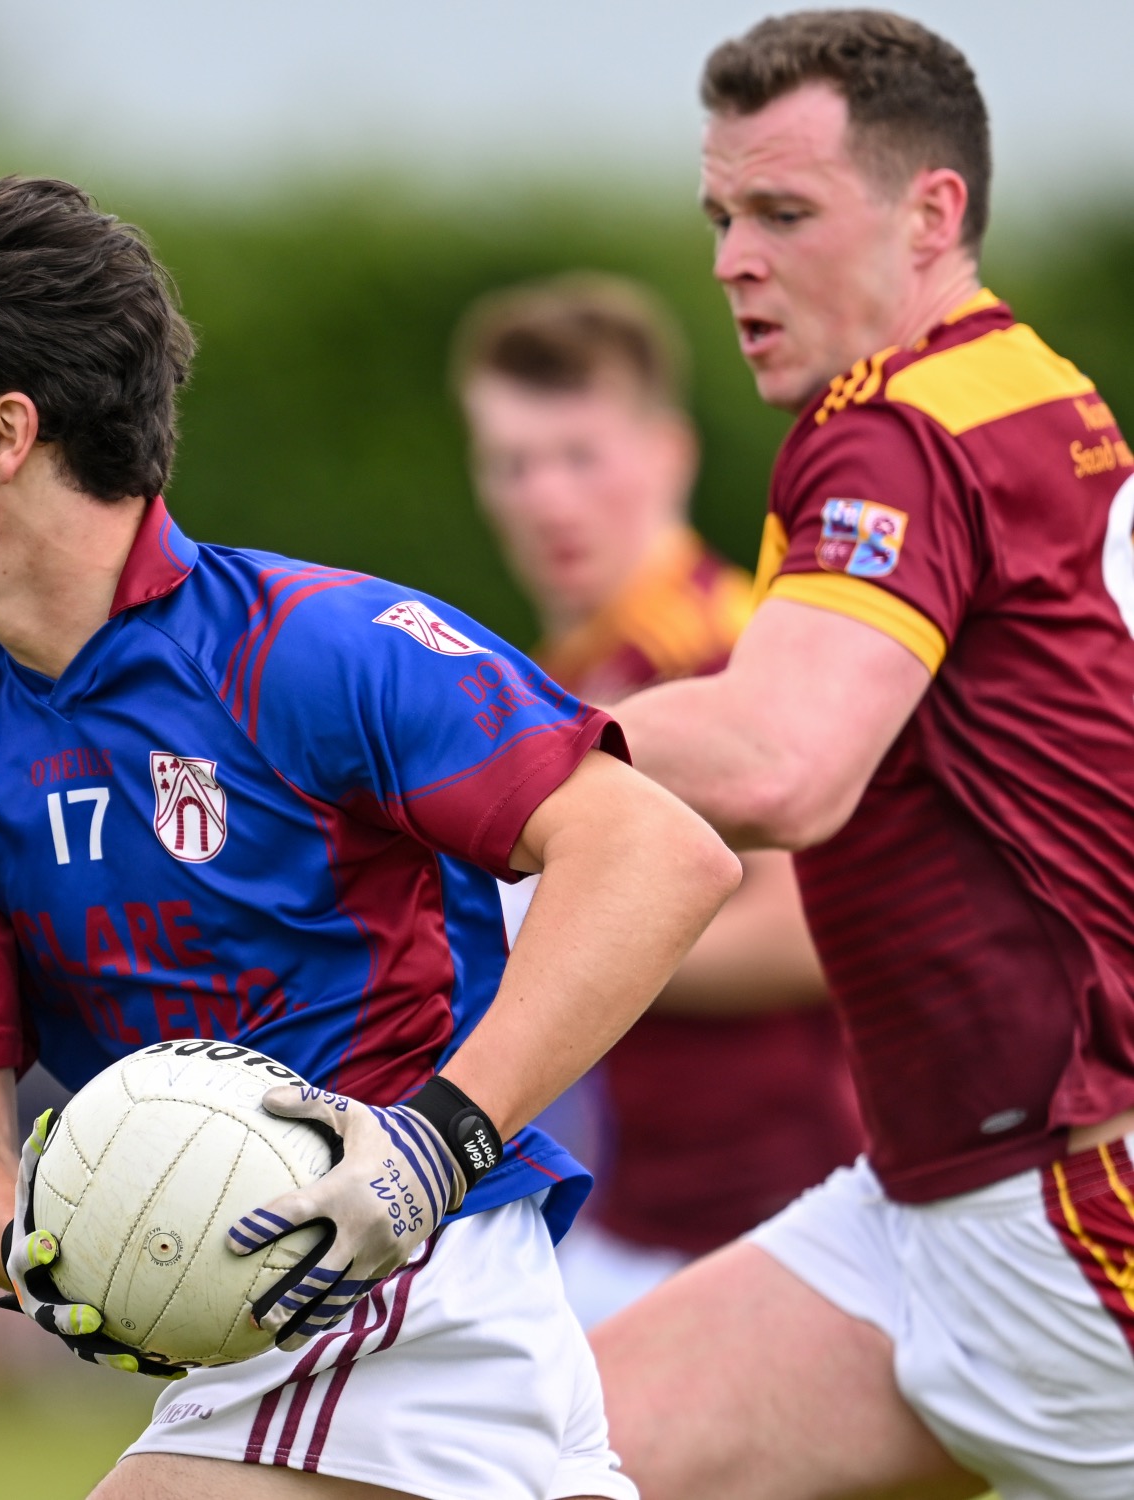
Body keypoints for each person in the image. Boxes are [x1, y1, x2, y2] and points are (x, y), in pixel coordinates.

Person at [0, 176, 739, 1500]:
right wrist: (43, 1245)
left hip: (408, 1288)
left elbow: (658, 856)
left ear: (6, 432)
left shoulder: (311, 648)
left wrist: (430, 1148)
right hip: (254, 1329)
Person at [588, 12, 1134, 1500]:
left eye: (783, 214)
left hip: (1070, 1208)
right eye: (721, 217)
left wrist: (438, 742)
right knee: (534, 1458)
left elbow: (781, 763)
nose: (733, 262)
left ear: (931, 213)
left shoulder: (895, 428)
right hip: (934, 1209)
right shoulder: (1025, 386)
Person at [452, 273, 862, 1324]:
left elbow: (808, 936)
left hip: (780, 1212)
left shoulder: (730, 655)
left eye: (580, 455)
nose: (547, 497)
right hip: (642, 1212)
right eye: (513, 462)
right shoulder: (557, 676)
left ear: (669, 454)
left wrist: (542, 943)